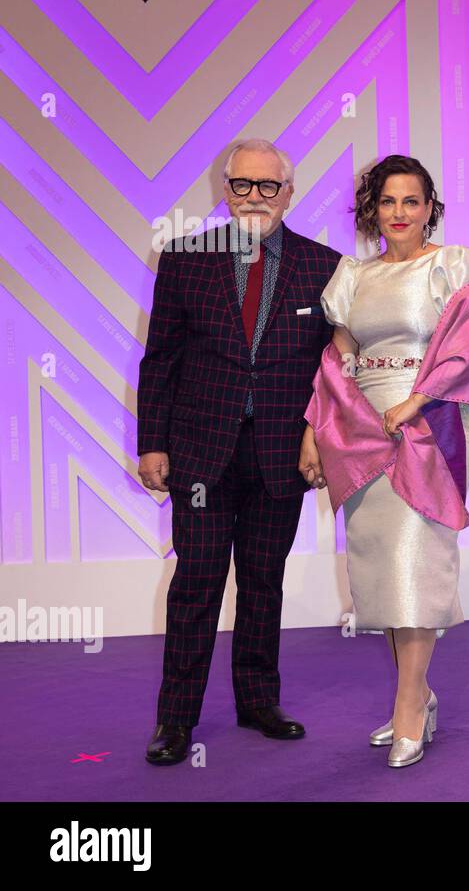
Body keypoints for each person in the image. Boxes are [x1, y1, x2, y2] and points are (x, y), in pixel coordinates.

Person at [137, 139, 341, 765]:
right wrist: (151, 443)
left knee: (263, 583)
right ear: (225, 191)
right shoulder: (183, 260)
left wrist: (317, 434)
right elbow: (161, 358)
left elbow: (333, 367)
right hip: (200, 451)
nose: (255, 197)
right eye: (242, 185)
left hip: (281, 454)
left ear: (289, 192)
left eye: (268, 186)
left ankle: (258, 701)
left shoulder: (324, 266)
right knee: (195, 584)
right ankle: (175, 720)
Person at [300, 155, 469, 768]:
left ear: (430, 206)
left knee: (416, 561)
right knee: (382, 569)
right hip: (361, 429)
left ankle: (409, 703)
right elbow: (340, 358)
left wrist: (415, 402)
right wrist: (314, 429)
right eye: (388, 202)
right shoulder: (353, 276)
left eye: (412, 202)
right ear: (372, 210)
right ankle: (420, 695)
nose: (400, 213)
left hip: (428, 425)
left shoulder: (451, 266)